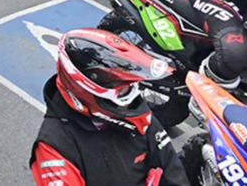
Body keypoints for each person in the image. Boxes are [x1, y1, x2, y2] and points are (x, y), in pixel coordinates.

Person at [30, 29, 189, 186]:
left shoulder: (136, 113)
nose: (130, 98)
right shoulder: (55, 148)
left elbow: (171, 167)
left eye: (132, 86)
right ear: (88, 87)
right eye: (123, 89)